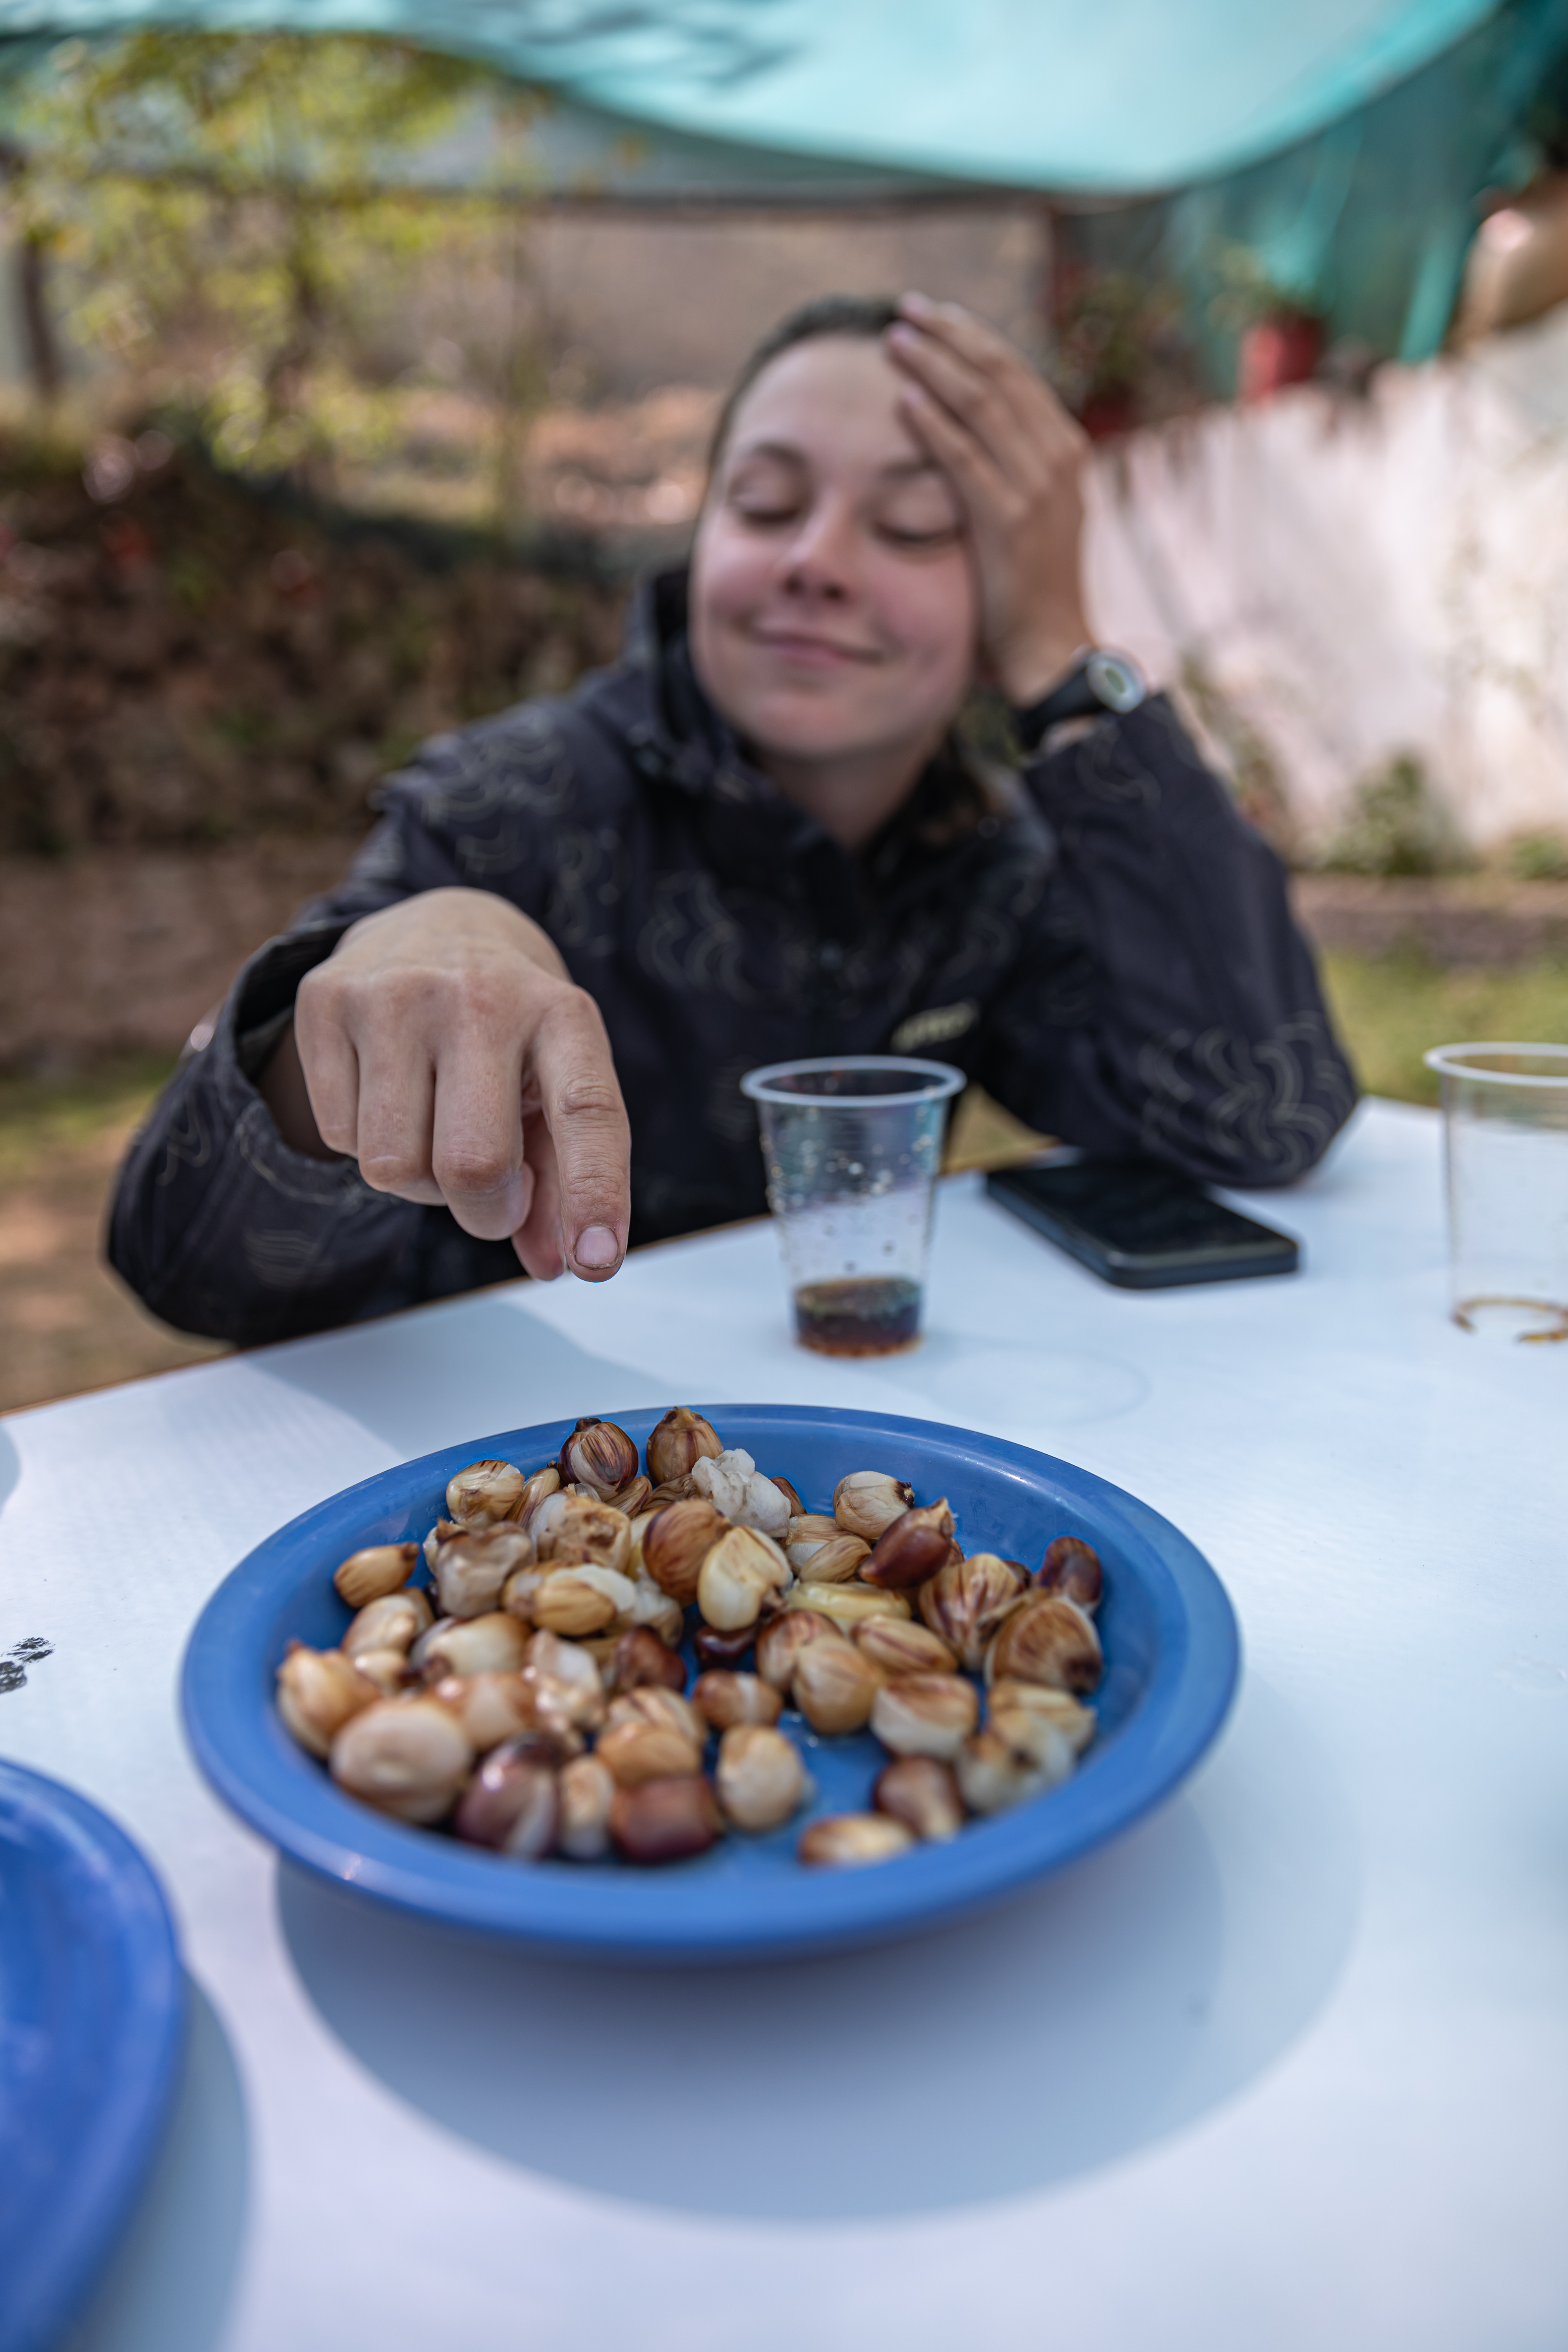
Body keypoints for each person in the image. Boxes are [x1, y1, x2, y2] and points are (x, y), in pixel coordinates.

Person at [109, 292, 1356, 1344]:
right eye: (764, 505)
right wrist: (387, 963)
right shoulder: (514, 807)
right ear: (701, 543)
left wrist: (1061, 655)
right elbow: (183, 1264)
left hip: (831, 1493)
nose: (819, 558)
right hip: (488, 1517)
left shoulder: (992, 870)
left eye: (915, 525)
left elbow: (1265, 1117)